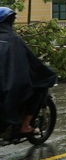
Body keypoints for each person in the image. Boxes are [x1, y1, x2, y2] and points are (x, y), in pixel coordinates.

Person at [0, 7, 57, 137]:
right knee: (39, 87)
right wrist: (47, 74)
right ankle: (25, 126)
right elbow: (32, 62)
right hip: (9, 88)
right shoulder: (13, 40)